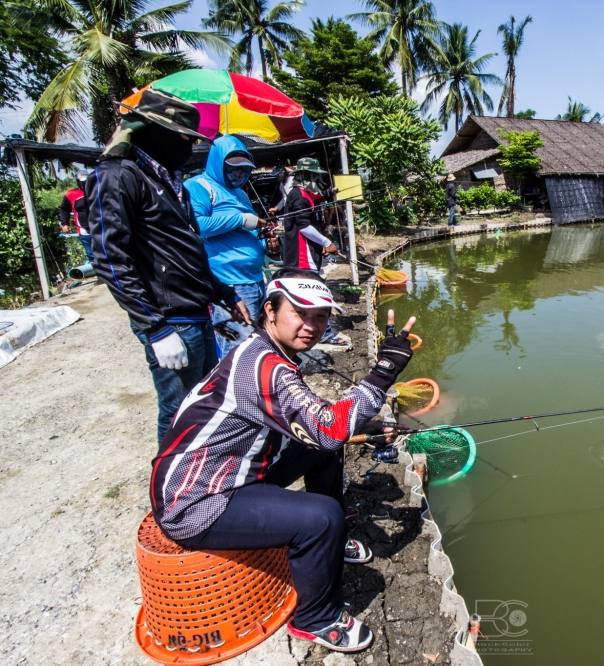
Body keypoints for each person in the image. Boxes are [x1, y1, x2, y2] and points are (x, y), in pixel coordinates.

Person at [150, 270, 416, 653]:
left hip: (235, 470)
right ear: (270, 311)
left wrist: (366, 423)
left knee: (323, 451)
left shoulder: (266, 350)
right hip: (196, 501)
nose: (312, 326)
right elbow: (327, 427)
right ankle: (315, 619)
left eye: (321, 316)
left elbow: (316, 425)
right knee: (322, 517)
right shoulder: (266, 367)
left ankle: (329, 544)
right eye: (300, 313)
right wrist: (384, 371)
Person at [87, 89, 251, 442]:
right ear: (153, 131)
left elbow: (187, 250)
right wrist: (155, 328)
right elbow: (111, 259)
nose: (188, 148)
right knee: (178, 411)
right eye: (182, 139)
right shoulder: (119, 176)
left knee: (204, 403)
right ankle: (172, 492)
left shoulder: (168, 180)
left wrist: (224, 293)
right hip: (170, 318)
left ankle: (201, 474)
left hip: (196, 311)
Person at [185, 135, 267, 356]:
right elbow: (197, 225)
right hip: (230, 283)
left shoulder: (240, 193)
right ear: (217, 163)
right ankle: (231, 389)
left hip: (255, 279)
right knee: (236, 346)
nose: (239, 174)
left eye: (244, 169)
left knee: (256, 342)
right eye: (233, 169)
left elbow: (250, 231)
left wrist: (266, 240)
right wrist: (240, 219)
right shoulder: (198, 186)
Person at [282, 157, 337, 271]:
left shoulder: (304, 193)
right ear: (306, 176)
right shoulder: (299, 196)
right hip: (302, 257)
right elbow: (304, 227)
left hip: (307, 253)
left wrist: (329, 192)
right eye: (315, 176)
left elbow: (317, 197)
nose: (318, 179)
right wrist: (327, 243)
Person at [59, 171, 93, 264]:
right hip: (84, 230)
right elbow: (63, 209)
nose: (84, 183)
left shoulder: (97, 190)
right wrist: (64, 223)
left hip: (100, 228)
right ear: (78, 181)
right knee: (91, 254)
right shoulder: (71, 194)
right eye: (82, 181)